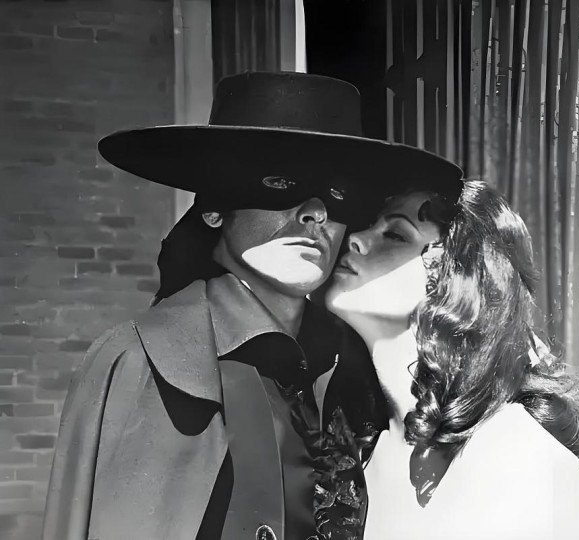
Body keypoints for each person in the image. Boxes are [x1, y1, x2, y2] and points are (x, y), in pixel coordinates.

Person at [41, 72, 463, 540]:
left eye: (337, 194)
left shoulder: (348, 366)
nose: (316, 212)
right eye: (281, 182)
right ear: (215, 207)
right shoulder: (150, 359)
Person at [321, 180, 579, 539]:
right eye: (369, 226)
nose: (356, 239)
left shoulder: (514, 449)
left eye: (395, 235)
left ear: (456, 280)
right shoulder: (360, 454)